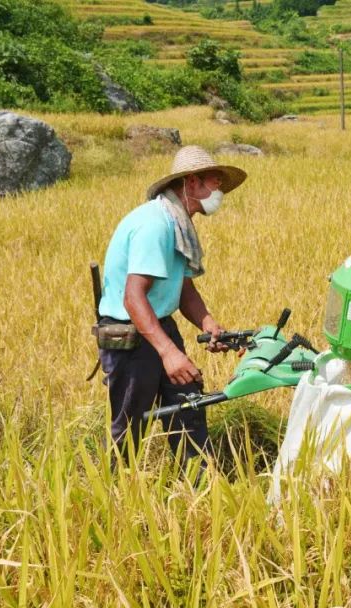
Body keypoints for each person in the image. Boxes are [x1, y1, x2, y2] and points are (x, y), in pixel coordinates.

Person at [95, 145, 247, 467]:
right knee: (131, 425)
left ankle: (198, 483)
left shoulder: (178, 222)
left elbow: (183, 286)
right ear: (191, 183)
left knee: (189, 404)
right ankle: (116, 493)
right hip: (131, 334)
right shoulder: (157, 225)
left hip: (158, 324)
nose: (218, 191)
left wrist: (207, 322)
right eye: (214, 182)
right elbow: (133, 298)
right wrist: (168, 353)